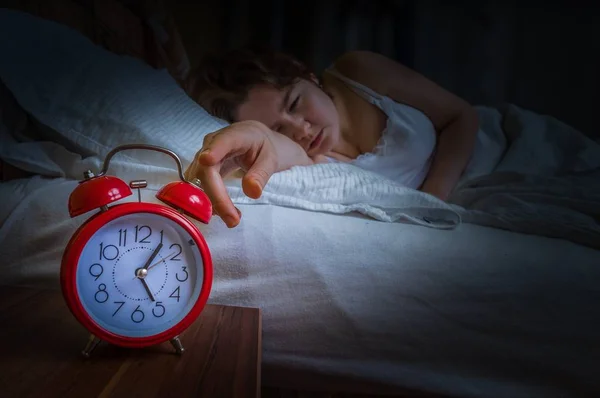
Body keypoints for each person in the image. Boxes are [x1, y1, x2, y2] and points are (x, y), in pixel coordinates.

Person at [184, 46, 480, 228]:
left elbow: (461, 116)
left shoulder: (359, 73)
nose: (300, 129)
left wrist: (432, 201)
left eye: (295, 104)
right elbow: (266, 144)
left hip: (497, 143)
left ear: (308, 76)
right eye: (277, 128)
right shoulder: (311, 162)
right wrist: (258, 135)